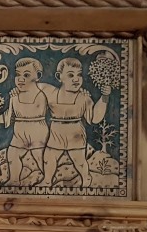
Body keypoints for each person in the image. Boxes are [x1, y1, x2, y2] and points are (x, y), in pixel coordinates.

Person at [38, 57, 109, 188]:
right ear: (59, 76)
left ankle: (86, 178)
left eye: (79, 75)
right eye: (71, 75)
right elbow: (33, 87)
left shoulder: (84, 98)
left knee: (79, 161)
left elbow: (94, 118)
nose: (76, 79)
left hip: (75, 134)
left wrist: (104, 97)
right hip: (56, 133)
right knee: (49, 158)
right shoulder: (50, 92)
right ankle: (47, 181)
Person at [0, 57, 49, 186]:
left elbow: (31, 110)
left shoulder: (40, 95)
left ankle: (47, 179)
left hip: (37, 132)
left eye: (26, 75)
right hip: (19, 133)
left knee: (40, 157)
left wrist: (15, 98)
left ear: (38, 76)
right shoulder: (15, 96)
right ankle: (14, 180)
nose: (20, 79)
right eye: (18, 75)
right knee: (12, 154)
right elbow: (10, 115)